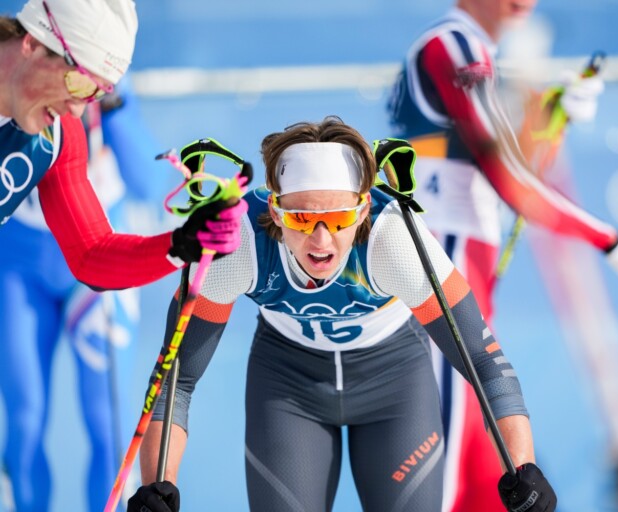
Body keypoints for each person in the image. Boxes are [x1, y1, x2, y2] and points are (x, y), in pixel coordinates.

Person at [126, 117, 557, 512]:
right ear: (274, 210)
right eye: (301, 217)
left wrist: (523, 468)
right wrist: (157, 485)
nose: (320, 240)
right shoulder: (239, 241)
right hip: (288, 386)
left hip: (394, 383)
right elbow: (175, 380)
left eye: (338, 218)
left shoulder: (395, 238)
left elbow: (485, 362)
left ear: (364, 208)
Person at [386, 0, 618, 510]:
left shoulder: (473, 49)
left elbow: (499, 160)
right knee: (441, 478)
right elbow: (510, 179)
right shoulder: (453, 44)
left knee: (491, 484)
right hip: (442, 264)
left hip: (462, 266)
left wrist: (554, 112)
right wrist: (610, 240)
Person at [0, 0, 246, 291]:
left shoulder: (58, 133)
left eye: (95, 94)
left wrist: (182, 245)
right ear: (33, 43)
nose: (77, 109)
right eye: (79, 84)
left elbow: (91, 254)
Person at [0, 78, 162, 511]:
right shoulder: (20, 71)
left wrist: (113, 104)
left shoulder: (100, 74)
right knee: (24, 420)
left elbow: (149, 183)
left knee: (107, 421)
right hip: (18, 267)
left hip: (96, 260)